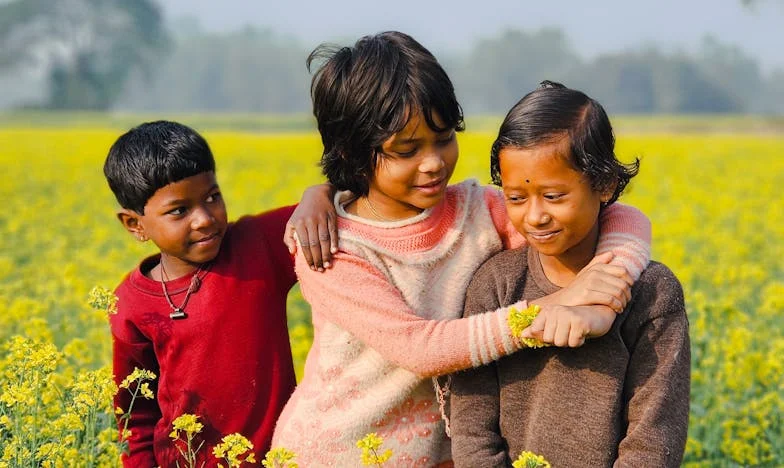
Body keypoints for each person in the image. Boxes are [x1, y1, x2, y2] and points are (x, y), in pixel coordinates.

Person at [273, 32, 653, 467]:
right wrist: (551, 307)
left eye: (443, 137)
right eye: (407, 150)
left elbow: (620, 216)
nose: (433, 162)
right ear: (352, 152)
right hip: (335, 454)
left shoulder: (478, 212)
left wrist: (607, 289)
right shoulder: (331, 247)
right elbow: (421, 349)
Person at [449, 81, 690, 468]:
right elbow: (472, 425)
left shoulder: (652, 294)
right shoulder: (495, 283)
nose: (535, 216)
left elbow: (654, 434)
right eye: (516, 197)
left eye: (554, 196)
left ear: (605, 185)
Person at [104, 121, 335, 466]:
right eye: (179, 211)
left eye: (212, 197)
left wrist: (318, 194)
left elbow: (346, 203)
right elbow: (135, 415)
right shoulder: (131, 303)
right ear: (135, 225)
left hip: (280, 458)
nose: (204, 219)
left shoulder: (256, 245)